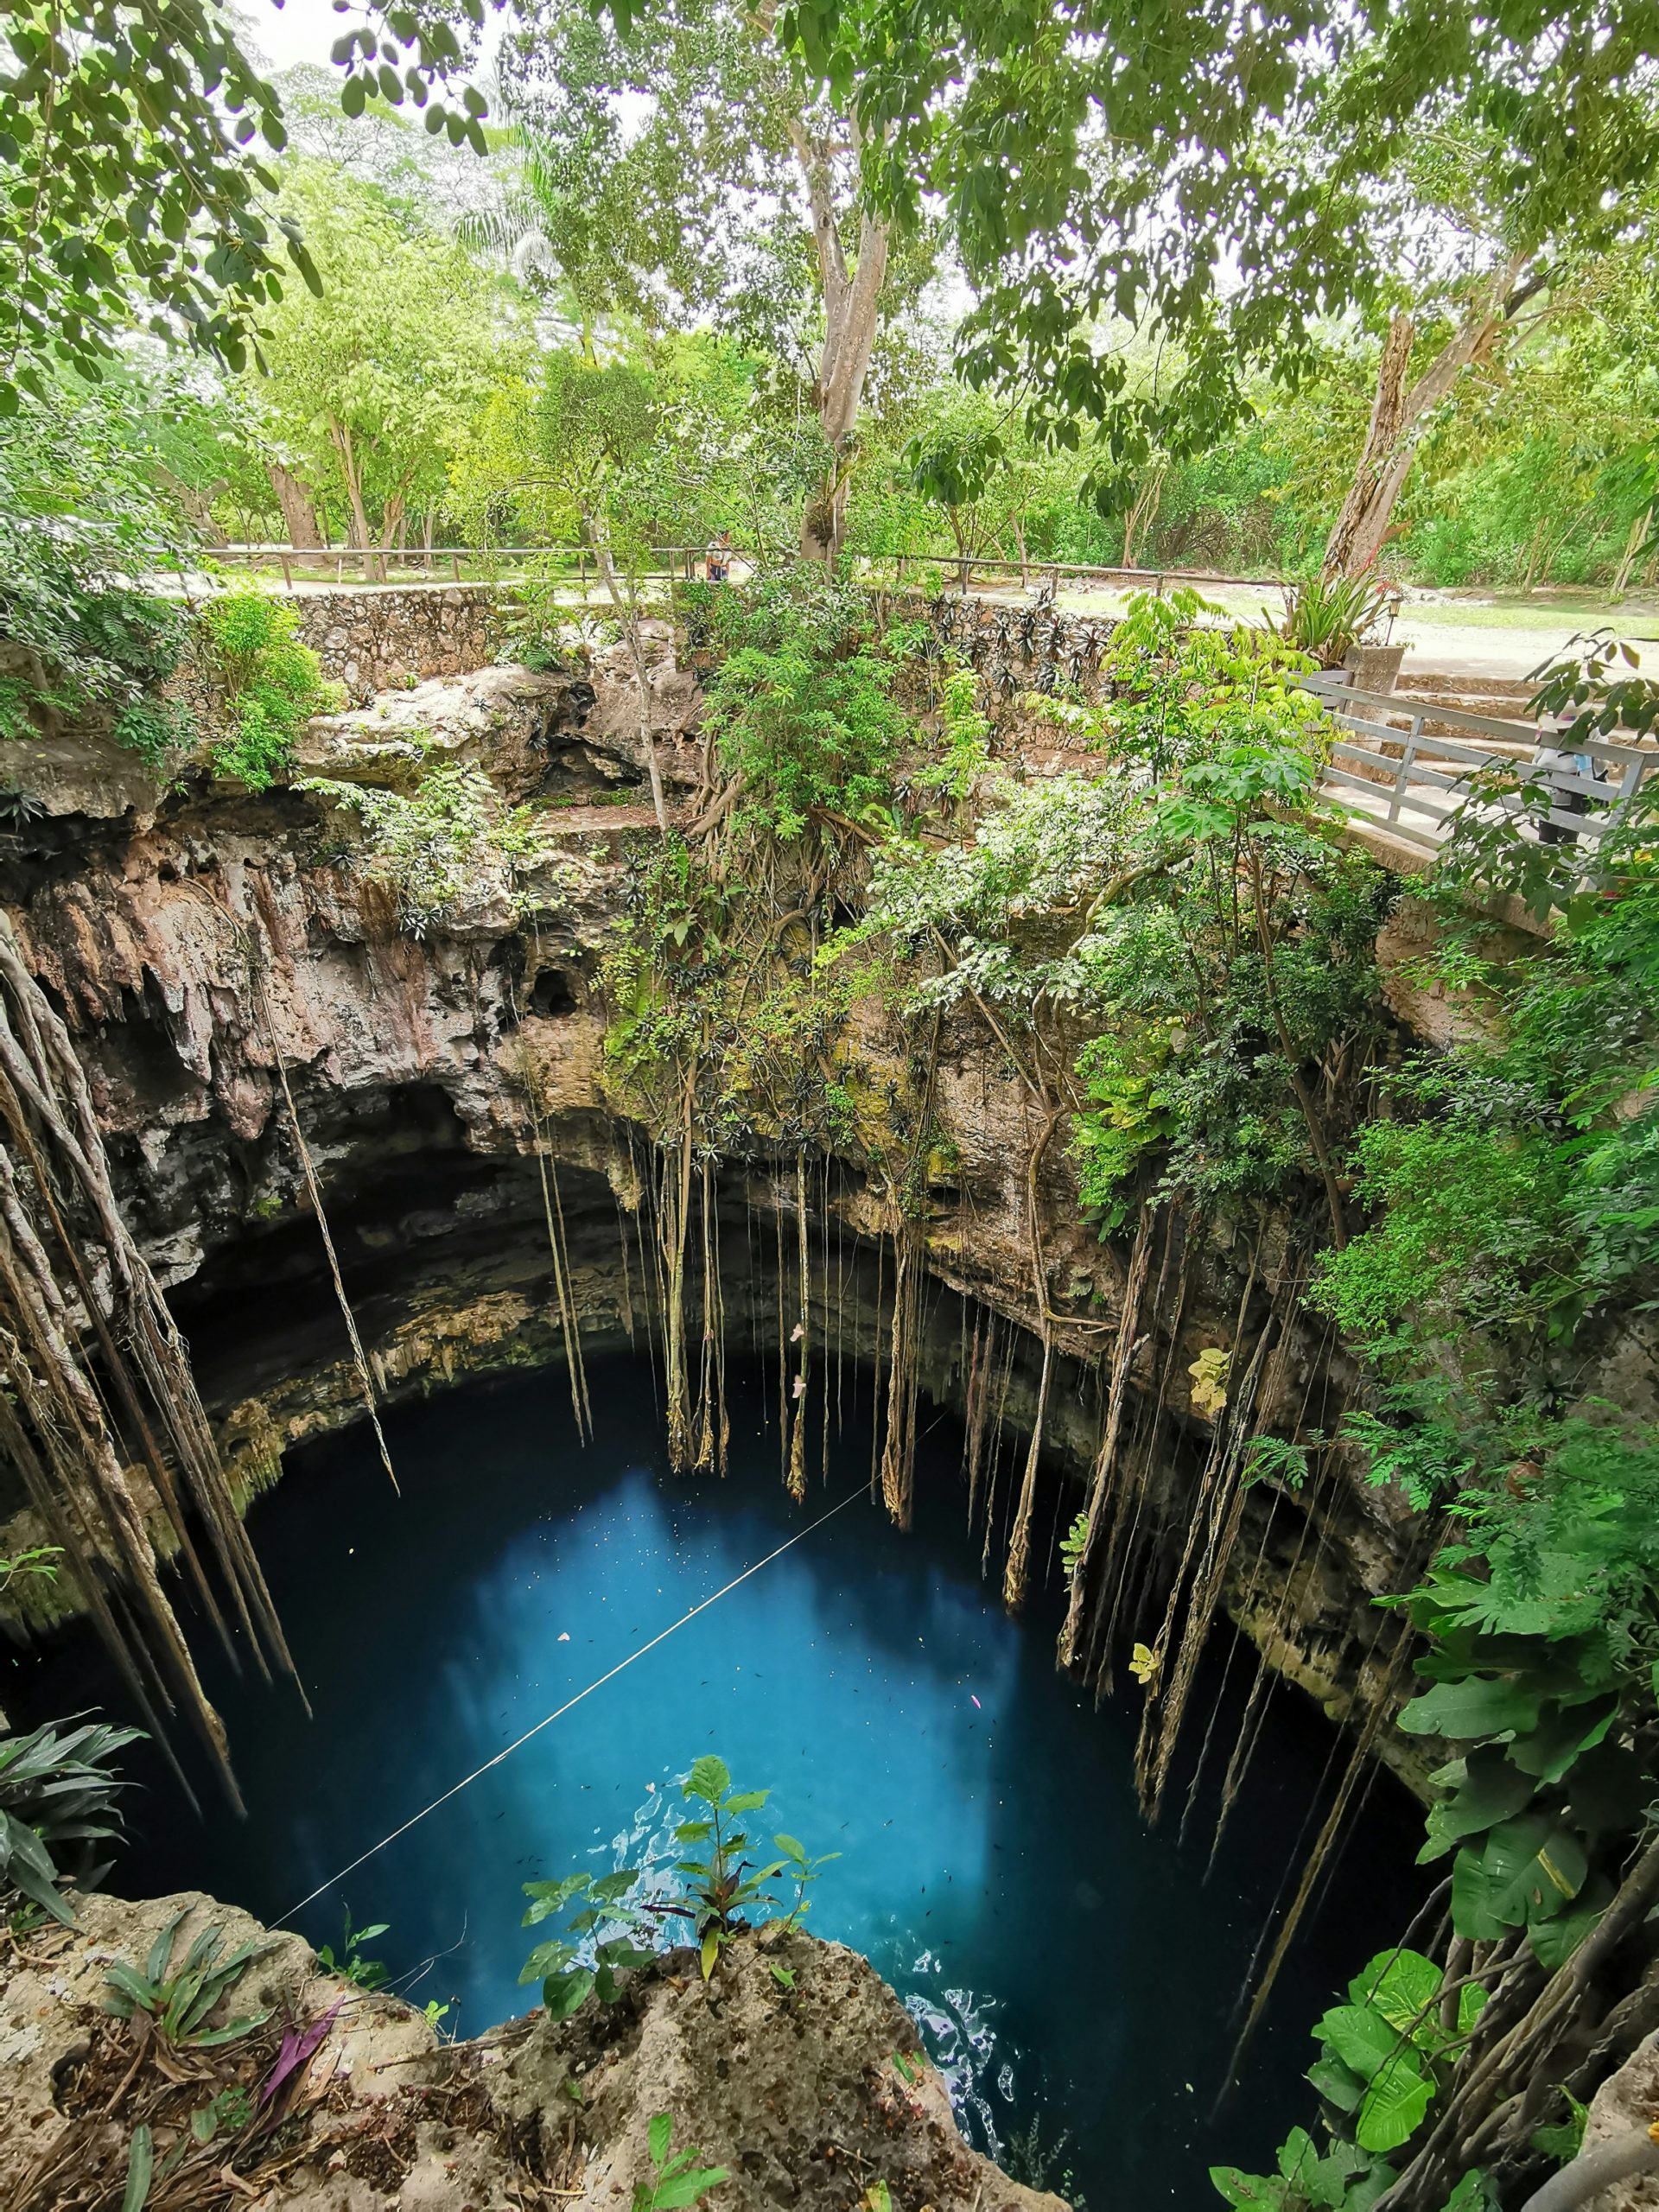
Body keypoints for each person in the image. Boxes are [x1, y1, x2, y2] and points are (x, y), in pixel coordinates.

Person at [1529, 714, 1599, 848]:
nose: (1560, 731)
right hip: (1546, 799)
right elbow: (1535, 764)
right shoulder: (1550, 742)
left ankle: (1561, 868)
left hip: (1571, 803)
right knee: (1545, 841)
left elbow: (1590, 773)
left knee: (1567, 844)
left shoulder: (1583, 749)